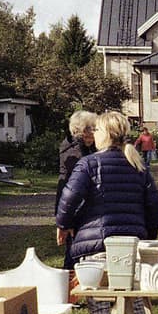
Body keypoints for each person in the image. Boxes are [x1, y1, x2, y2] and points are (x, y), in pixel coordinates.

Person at [56, 111, 158, 314]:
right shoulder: (138, 165)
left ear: (105, 134)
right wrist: (147, 235)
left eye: (97, 130)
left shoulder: (89, 163)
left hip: (97, 246)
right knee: (135, 302)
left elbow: (68, 198)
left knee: (101, 305)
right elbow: (154, 204)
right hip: (131, 244)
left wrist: (63, 224)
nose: (93, 134)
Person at [57, 110, 97, 269]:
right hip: (77, 210)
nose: (94, 133)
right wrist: (67, 221)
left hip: (81, 209)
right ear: (81, 131)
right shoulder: (74, 152)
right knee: (75, 256)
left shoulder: (86, 148)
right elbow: (70, 189)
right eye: (91, 129)